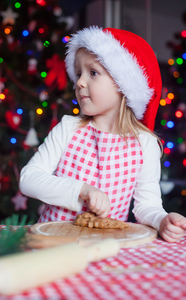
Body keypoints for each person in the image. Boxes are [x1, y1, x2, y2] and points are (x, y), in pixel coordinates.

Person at [19, 26, 186, 242]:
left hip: (106, 249)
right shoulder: (69, 128)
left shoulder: (145, 143)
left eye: (93, 72)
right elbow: (28, 179)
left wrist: (162, 220)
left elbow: (147, 205)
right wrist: (82, 190)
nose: (79, 82)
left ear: (123, 84)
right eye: (79, 73)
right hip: (54, 243)